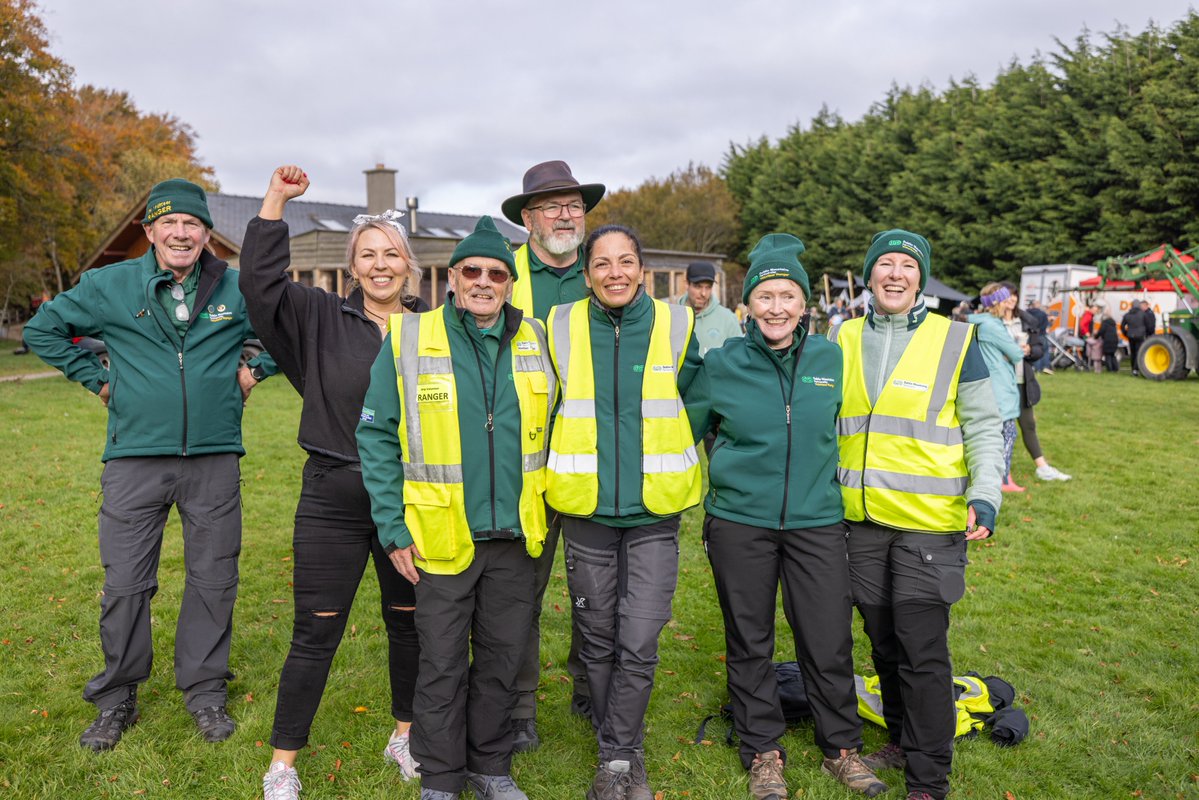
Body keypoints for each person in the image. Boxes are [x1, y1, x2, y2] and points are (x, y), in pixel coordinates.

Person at [23, 178, 275, 751]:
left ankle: (205, 692)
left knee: (214, 580)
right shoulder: (111, 285)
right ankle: (116, 698)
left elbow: (287, 332)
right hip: (135, 459)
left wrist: (254, 371)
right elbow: (44, 329)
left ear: (206, 232)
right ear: (150, 232)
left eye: (192, 224)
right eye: (169, 223)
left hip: (212, 459)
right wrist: (98, 381)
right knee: (127, 585)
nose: (181, 233)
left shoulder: (237, 289)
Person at [241, 167, 427, 800]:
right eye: (368, 256)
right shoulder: (317, 320)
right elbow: (261, 287)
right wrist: (275, 205)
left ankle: (406, 735)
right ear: (353, 269)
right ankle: (283, 766)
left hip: (411, 501)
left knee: (411, 624)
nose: (381, 266)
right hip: (333, 498)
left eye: (391, 254)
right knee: (316, 630)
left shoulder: (434, 330)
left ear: (409, 265)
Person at [357, 216, 557, 800]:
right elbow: (375, 435)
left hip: (517, 538)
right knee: (442, 664)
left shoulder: (536, 339)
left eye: (498, 273)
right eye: (472, 270)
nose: (484, 281)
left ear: (510, 283)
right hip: (440, 538)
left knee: (500, 660)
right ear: (453, 277)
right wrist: (393, 529)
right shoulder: (409, 336)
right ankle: (441, 777)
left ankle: (490, 766)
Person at [688, 234, 887, 800]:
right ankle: (763, 752)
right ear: (747, 304)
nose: (777, 307)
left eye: (788, 296)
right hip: (740, 523)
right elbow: (682, 423)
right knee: (748, 639)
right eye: (766, 296)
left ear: (804, 305)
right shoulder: (721, 362)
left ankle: (841, 749)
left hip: (816, 521)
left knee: (827, 639)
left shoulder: (830, 357)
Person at [830, 230, 1003, 800]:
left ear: (921, 278)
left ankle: (928, 777)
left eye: (908, 265)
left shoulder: (958, 339)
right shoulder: (843, 334)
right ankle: (903, 739)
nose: (896, 274)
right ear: (869, 275)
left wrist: (986, 494)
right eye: (885, 264)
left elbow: (984, 425)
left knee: (922, 649)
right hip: (862, 521)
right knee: (883, 647)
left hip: (931, 525)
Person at [545, 224, 702, 800]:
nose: (615, 272)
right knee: (596, 636)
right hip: (585, 510)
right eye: (603, 263)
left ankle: (619, 758)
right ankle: (619, 741)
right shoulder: (557, 327)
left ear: (643, 269)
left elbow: (701, 397)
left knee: (639, 637)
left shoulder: (677, 324)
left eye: (627, 261)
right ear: (586, 273)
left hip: (653, 513)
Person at [500, 159, 605, 748]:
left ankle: (592, 688)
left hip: (591, 456)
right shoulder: (503, 274)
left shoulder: (605, 270)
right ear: (529, 218)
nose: (566, 215)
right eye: (552, 206)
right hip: (522, 461)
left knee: (596, 588)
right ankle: (518, 707)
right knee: (521, 590)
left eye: (574, 206)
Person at [968, 284, 1027, 493]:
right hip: (999, 387)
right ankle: (1001, 481)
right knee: (1007, 433)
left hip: (988, 385)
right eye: (1004, 301)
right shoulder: (992, 326)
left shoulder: (977, 322)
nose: (1007, 305)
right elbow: (1017, 354)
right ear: (996, 304)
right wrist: (1011, 351)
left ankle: (998, 478)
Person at [674, 260, 743, 357]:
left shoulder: (728, 319)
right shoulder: (671, 317)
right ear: (686, 284)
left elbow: (739, 357)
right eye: (698, 287)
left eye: (708, 287)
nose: (703, 293)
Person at [1121, 301, 1148, 376]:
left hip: (1130, 336)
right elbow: (1148, 325)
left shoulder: (1127, 314)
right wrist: (1146, 333)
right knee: (1138, 352)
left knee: (1132, 353)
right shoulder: (1143, 314)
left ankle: (1133, 368)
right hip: (1140, 336)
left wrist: (1126, 334)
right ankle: (1136, 369)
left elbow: (1122, 326)